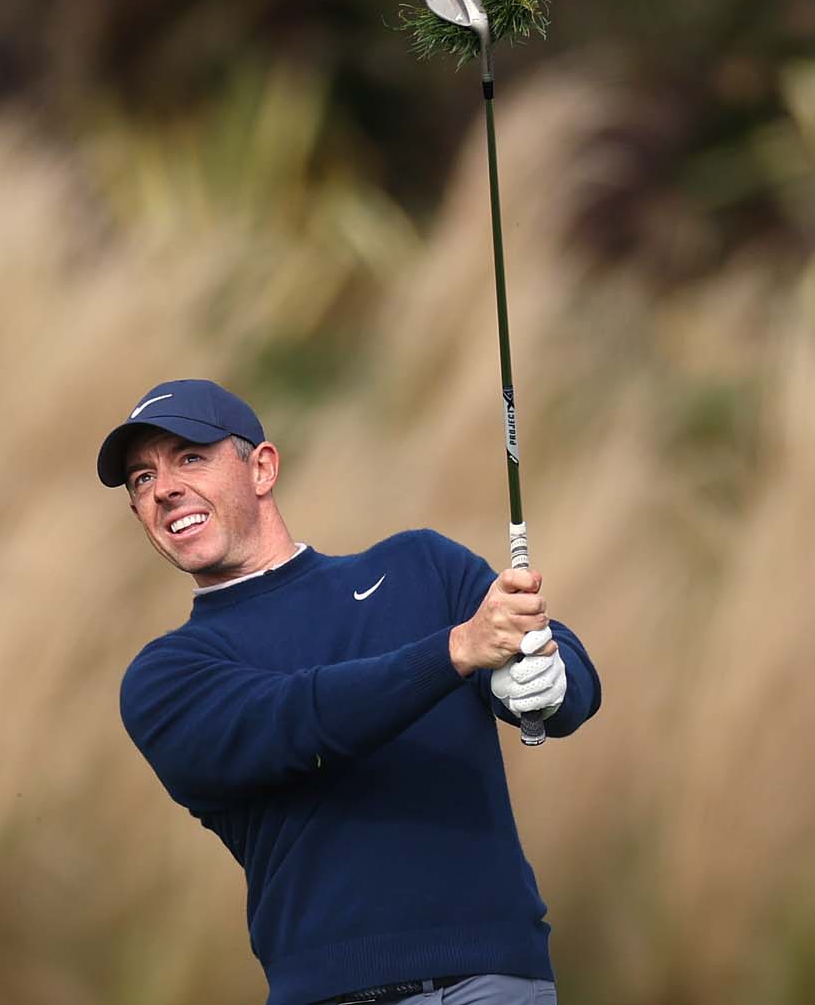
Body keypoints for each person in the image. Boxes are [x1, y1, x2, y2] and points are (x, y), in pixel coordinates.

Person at [99, 379, 601, 1005]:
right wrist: (456, 652)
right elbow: (299, 722)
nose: (165, 487)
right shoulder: (167, 678)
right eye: (142, 479)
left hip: (497, 980)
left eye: (190, 457)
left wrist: (550, 681)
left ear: (262, 467)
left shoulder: (422, 567)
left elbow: (565, 672)